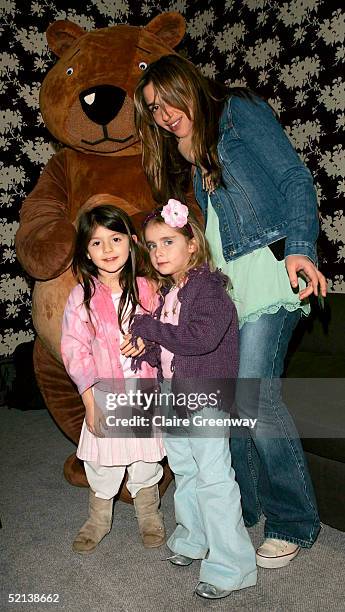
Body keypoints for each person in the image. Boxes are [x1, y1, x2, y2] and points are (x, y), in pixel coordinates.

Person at [133, 54, 328, 569]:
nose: (163, 113)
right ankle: (241, 507)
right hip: (225, 290)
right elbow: (212, 234)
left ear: (188, 85)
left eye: (167, 98)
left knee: (254, 397)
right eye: (153, 109)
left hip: (267, 272)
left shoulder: (236, 110)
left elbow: (292, 177)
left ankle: (293, 522)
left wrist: (301, 246)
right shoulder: (190, 153)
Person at [128, 201, 257, 600]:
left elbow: (200, 340)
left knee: (214, 478)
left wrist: (149, 326)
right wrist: (146, 350)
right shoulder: (172, 291)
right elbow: (173, 351)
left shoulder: (209, 288)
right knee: (184, 469)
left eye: (168, 241)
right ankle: (193, 538)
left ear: (193, 244)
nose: (159, 252)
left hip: (204, 396)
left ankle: (232, 567)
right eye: (151, 246)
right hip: (175, 393)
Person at [61, 204, 166, 554]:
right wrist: (90, 402)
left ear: (131, 242)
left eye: (115, 239)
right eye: (96, 243)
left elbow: (166, 332)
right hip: (103, 393)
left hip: (144, 392)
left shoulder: (149, 289)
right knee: (103, 459)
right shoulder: (82, 297)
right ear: (86, 252)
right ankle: (98, 518)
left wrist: (146, 340)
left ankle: (149, 514)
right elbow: (75, 351)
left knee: (145, 458)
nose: (107, 250)